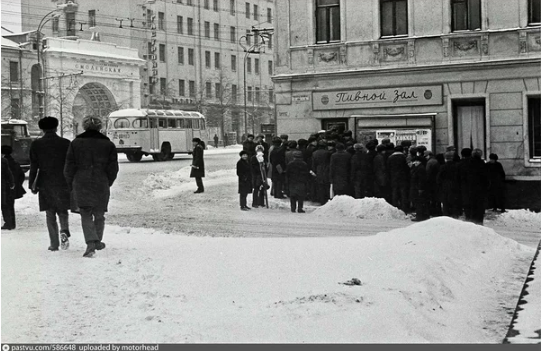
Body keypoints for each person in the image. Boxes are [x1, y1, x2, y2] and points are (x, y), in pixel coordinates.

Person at [64, 116, 119, 258]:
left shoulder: (75, 143)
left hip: (81, 181)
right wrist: (108, 181)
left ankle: (90, 243)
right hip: (101, 181)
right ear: (100, 127)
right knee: (99, 213)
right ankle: (97, 241)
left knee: (85, 213)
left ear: (84, 126)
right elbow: (113, 168)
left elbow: (69, 166)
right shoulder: (108, 145)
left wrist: (71, 183)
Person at [29, 116, 72, 251]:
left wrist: (32, 184)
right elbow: (70, 164)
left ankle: (54, 243)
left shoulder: (36, 144)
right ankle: (64, 230)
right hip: (62, 180)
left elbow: (34, 166)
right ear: (56, 127)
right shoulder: (66, 143)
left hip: (45, 180)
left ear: (42, 129)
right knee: (63, 210)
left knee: (50, 213)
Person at [1, 145, 26, 230]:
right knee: (11, 206)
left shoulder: (3, 162)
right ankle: (12, 223)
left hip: (4, 188)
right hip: (13, 187)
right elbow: (21, 175)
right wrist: (17, 184)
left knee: (4, 206)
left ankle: (8, 223)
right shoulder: (15, 162)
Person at [465, 149, 489, 225]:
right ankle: (479, 223)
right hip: (480, 190)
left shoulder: (468, 164)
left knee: (471, 207)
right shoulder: (483, 164)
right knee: (479, 209)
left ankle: (471, 223)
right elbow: (486, 178)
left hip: (470, 189)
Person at [437, 151, 461, 218]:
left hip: (445, 187)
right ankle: (455, 216)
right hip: (455, 187)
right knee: (455, 203)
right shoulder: (457, 166)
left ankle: (446, 217)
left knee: (446, 203)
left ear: (445, 158)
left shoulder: (442, 167)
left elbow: (439, 178)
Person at [387, 145, 410, 213]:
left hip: (393, 178)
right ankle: (404, 209)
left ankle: (395, 208)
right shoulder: (404, 157)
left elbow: (388, 168)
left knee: (395, 193)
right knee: (403, 193)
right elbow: (407, 168)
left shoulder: (390, 158)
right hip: (403, 178)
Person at [312, 140, 331, 205]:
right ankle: (326, 199)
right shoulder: (328, 153)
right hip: (326, 169)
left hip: (318, 169)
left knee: (320, 186)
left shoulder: (314, 153)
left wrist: (314, 171)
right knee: (326, 185)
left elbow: (313, 164)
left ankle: (321, 199)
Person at [410, 156, 429, 222]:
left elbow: (421, 180)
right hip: (417, 187)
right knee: (419, 202)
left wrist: (420, 188)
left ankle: (420, 216)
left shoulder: (420, 168)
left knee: (419, 202)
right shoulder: (418, 168)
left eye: (416, 161)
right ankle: (422, 215)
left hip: (418, 188)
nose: (414, 163)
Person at [425, 150, 442, 217]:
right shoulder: (435, 161)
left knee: (432, 198)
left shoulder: (430, 162)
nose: (425, 157)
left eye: (426, 156)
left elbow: (428, 172)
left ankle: (433, 212)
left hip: (431, 182)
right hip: (436, 182)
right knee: (436, 198)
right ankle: (438, 211)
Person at [1, 157, 15, 230]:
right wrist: (11, 183)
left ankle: (8, 223)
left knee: (4, 205)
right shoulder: (3, 161)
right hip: (2, 186)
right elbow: (8, 173)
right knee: (4, 205)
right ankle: (9, 223)